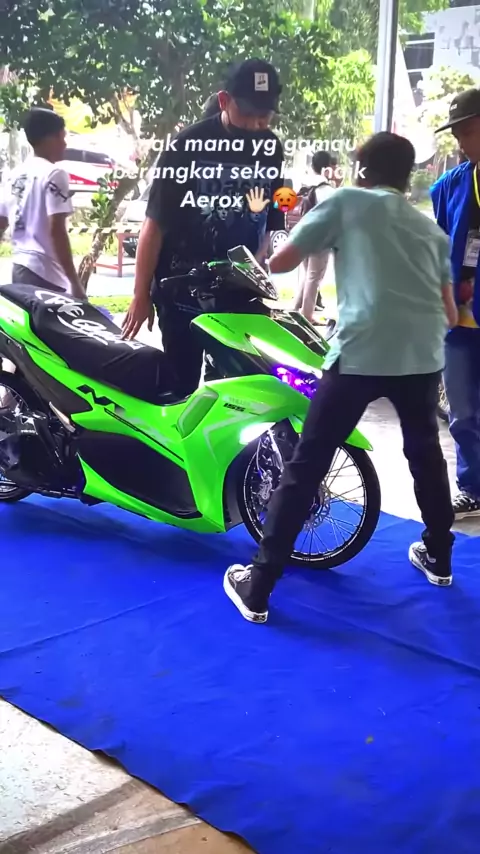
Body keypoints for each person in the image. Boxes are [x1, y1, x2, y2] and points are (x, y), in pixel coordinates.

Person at [223, 131, 458, 624]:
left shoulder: (346, 202)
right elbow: (451, 313)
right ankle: (439, 557)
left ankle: (259, 586)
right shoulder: (431, 231)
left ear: (363, 172)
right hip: (420, 358)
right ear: (408, 177)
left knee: (308, 464)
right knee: (426, 457)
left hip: (359, 353)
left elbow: (281, 262)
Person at [122, 58, 285, 394]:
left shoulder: (271, 148)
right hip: (182, 291)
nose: (256, 123)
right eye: (248, 112)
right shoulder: (186, 146)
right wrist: (140, 294)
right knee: (180, 385)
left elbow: (270, 220)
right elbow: (154, 225)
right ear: (224, 101)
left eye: (265, 115)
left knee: (239, 391)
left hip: (240, 293)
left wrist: (257, 266)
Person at [431, 88, 480, 519]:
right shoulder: (448, 187)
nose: (461, 141)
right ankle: (473, 487)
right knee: (462, 414)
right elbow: (442, 243)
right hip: (459, 321)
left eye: (467, 130)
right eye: (457, 133)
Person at [0, 108, 85, 298]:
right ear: (48, 139)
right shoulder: (55, 174)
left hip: (19, 268)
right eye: (61, 137)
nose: (64, 144)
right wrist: (74, 282)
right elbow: (57, 231)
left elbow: (1, 223)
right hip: (46, 274)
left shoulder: (13, 176)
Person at [292, 150, 337, 319]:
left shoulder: (306, 184)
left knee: (308, 275)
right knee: (314, 276)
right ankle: (307, 315)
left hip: (302, 234)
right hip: (319, 238)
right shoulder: (326, 189)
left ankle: (295, 309)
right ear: (328, 167)